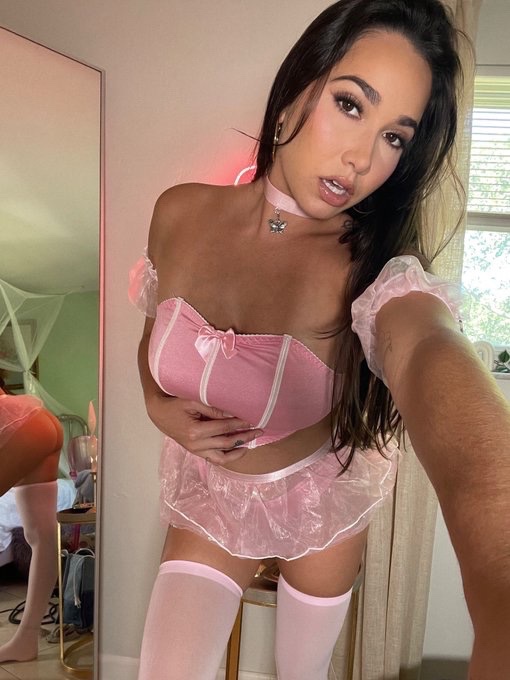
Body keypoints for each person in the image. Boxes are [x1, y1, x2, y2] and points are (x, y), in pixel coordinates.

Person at [129, 1, 510, 678]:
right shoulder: (178, 212)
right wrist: (159, 406)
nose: (362, 158)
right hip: (210, 494)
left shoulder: (374, 270)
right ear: (294, 91)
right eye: (350, 104)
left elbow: (426, 349)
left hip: (318, 497)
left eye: (395, 137)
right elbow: (153, 331)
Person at [0, 375, 63, 662]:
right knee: (42, 536)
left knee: (41, 536)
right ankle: (26, 640)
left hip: (20, 423)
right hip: (38, 422)